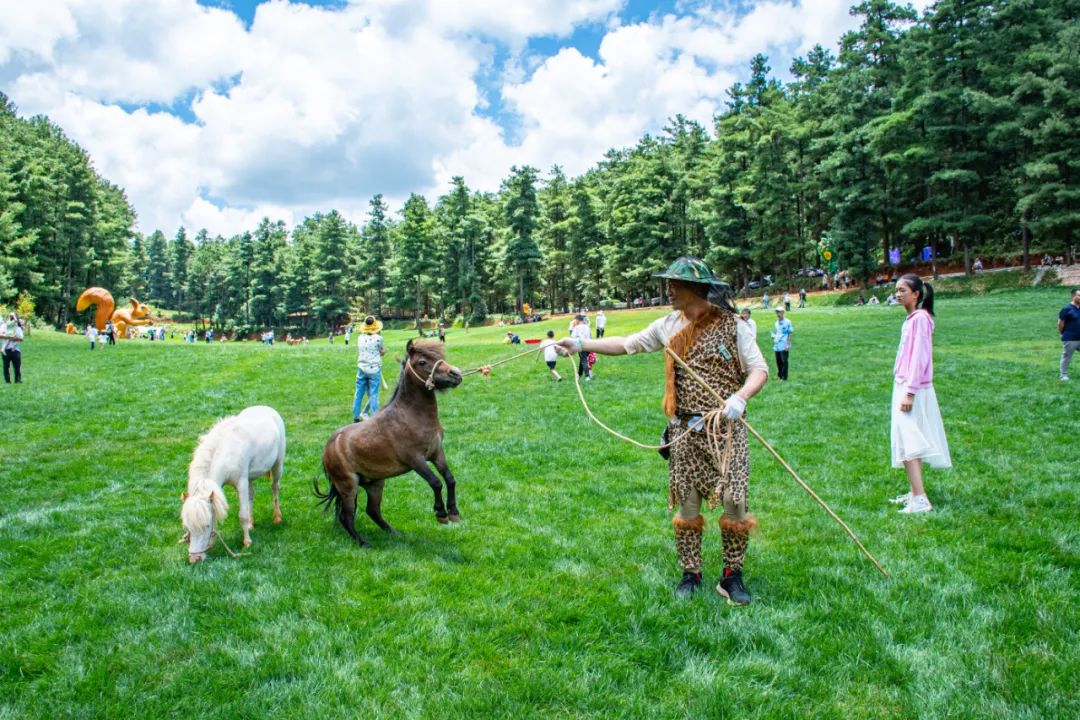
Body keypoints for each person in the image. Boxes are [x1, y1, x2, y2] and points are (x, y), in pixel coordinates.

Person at [556, 257, 768, 602]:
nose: (668, 290)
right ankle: (691, 573)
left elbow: (759, 369)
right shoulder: (668, 326)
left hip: (725, 429)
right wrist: (580, 345)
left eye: (675, 284)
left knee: (735, 500)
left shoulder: (733, 326)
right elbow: (627, 344)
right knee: (687, 505)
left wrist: (740, 398)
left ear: (694, 288)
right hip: (683, 430)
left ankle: (731, 576)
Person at [890, 274, 951, 513]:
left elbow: (919, 358)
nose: (898, 294)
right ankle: (914, 491)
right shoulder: (912, 319)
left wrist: (910, 392)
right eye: (896, 290)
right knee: (904, 439)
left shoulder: (921, 320)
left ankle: (921, 499)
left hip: (911, 387)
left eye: (903, 290)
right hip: (904, 383)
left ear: (916, 294)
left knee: (910, 440)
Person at [352, 315, 386, 422]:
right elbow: (381, 351)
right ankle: (374, 417)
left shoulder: (360, 338)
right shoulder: (379, 339)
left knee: (359, 392)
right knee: (374, 393)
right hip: (374, 369)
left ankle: (356, 416)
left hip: (362, 368)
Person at [1059, 288, 1080, 381]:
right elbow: (1060, 323)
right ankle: (1063, 375)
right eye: (1079, 295)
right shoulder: (1066, 308)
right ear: (1073, 296)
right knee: (1067, 357)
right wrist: (1061, 334)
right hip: (1071, 338)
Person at [1, 313, 25, 383]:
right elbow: (0, 335)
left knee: (17, 366)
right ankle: (7, 381)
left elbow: (21, 338)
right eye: (10, 316)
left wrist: (14, 338)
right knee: (6, 367)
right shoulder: (4, 326)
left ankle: (18, 380)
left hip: (16, 350)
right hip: (6, 350)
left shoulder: (18, 328)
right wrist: (9, 337)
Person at [771, 308, 792, 382]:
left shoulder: (788, 322)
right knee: (778, 361)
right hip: (777, 345)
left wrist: (788, 345)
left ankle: (784, 377)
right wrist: (774, 336)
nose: (778, 314)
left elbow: (790, 333)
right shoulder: (776, 323)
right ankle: (779, 376)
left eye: (779, 312)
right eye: (776, 312)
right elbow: (777, 332)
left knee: (784, 361)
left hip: (784, 344)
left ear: (783, 312)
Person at [570, 314, 592, 381]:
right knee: (582, 360)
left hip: (581, 345)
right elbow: (590, 336)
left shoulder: (577, 328)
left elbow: (573, 337)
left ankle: (587, 376)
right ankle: (579, 375)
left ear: (577, 320)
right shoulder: (587, 327)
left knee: (584, 360)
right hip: (589, 345)